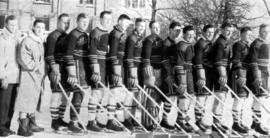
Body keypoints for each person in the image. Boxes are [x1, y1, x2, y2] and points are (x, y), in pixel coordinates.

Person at [15, 19, 46, 137]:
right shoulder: (27, 40)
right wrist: (35, 67)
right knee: (25, 99)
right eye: (38, 27)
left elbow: (41, 59)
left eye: (42, 28)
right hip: (28, 75)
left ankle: (31, 124)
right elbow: (22, 58)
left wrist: (42, 71)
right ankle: (22, 127)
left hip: (37, 76)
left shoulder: (39, 41)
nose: (40, 30)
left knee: (33, 98)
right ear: (33, 27)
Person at [63, 13, 90, 134]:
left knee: (81, 93)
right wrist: (72, 73)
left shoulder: (84, 34)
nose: (85, 24)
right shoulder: (73, 34)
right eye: (82, 22)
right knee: (77, 93)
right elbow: (68, 54)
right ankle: (72, 122)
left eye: (87, 22)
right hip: (75, 65)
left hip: (83, 66)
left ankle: (76, 119)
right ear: (77, 22)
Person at [87, 11, 112, 132]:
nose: (107, 22)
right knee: (96, 93)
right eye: (105, 19)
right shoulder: (95, 32)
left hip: (104, 65)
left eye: (109, 20)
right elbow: (92, 52)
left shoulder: (106, 32)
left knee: (101, 94)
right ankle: (90, 122)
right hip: (97, 64)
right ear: (100, 19)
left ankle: (96, 120)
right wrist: (95, 70)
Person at [45, 13, 70, 132]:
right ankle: (54, 121)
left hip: (66, 69)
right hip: (56, 69)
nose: (66, 24)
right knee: (56, 94)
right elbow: (49, 55)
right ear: (58, 22)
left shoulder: (67, 36)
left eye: (68, 22)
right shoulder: (53, 36)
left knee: (65, 95)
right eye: (64, 22)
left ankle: (60, 118)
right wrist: (55, 70)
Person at [106, 14, 131, 131]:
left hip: (121, 64)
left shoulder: (122, 32)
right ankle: (110, 121)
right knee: (114, 91)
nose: (126, 25)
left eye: (127, 23)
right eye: (124, 22)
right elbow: (112, 53)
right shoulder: (116, 33)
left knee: (118, 92)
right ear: (119, 21)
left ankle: (114, 117)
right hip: (115, 65)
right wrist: (116, 71)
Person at [123, 18, 146, 130]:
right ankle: (126, 119)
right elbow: (129, 56)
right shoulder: (132, 37)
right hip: (133, 69)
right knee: (130, 94)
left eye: (143, 26)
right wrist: (132, 73)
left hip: (140, 69)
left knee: (136, 95)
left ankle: (132, 117)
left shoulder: (141, 38)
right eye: (140, 26)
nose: (142, 28)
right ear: (136, 26)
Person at [211, 22, 234, 134]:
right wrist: (222, 74)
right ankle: (215, 124)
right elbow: (218, 60)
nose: (229, 32)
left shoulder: (225, 41)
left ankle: (218, 122)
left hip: (225, 71)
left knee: (222, 98)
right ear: (222, 30)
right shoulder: (220, 43)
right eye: (227, 30)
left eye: (231, 30)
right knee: (219, 97)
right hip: (220, 73)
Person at [141, 20, 163, 131]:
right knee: (150, 97)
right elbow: (146, 58)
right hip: (151, 71)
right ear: (150, 28)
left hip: (159, 71)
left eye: (158, 27)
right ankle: (148, 121)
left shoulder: (160, 40)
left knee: (158, 97)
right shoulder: (148, 40)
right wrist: (149, 75)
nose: (157, 29)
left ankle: (155, 120)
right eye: (154, 27)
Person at [248, 24, 270, 135]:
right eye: (263, 31)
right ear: (259, 31)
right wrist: (257, 76)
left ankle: (254, 124)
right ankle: (257, 125)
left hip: (265, 74)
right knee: (260, 98)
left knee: (261, 98)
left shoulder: (265, 43)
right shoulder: (256, 44)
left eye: (267, 32)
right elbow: (253, 62)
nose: (265, 33)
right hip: (258, 75)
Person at [193, 24, 215, 134]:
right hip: (202, 73)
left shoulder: (209, 43)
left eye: (212, 32)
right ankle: (197, 122)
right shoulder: (200, 43)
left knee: (205, 97)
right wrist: (201, 75)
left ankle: (200, 119)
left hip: (209, 73)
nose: (210, 34)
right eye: (208, 32)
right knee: (201, 97)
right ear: (204, 32)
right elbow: (197, 60)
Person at [0, 15, 20, 137]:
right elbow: (0, 59)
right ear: (6, 24)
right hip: (6, 76)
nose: (13, 27)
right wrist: (2, 76)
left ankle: (7, 126)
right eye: (11, 24)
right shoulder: (2, 38)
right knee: (3, 103)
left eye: (15, 24)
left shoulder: (16, 37)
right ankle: (0, 127)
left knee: (12, 103)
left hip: (15, 76)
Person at [230, 27, 252, 134]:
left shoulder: (247, 45)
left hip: (245, 73)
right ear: (242, 34)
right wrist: (240, 75)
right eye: (247, 34)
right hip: (238, 73)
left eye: (250, 35)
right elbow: (236, 60)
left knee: (243, 99)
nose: (248, 36)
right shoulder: (238, 45)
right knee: (239, 98)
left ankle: (239, 122)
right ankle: (235, 124)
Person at [160, 21, 181, 130]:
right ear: (170, 30)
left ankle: (179, 121)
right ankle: (164, 120)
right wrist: (169, 74)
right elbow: (164, 60)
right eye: (176, 30)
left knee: (177, 98)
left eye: (179, 30)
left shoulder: (175, 43)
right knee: (170, 97)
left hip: (175, 73)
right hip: (168, 74)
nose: (178, 32)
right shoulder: (166, 43)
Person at [174, 25, 196, 133]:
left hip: (189, 73)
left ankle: (184, 120)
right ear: (184, 34)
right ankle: (180, 122)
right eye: (189, 34)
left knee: (190, 98)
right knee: (183, 98)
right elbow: (179, 63)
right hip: (183, 73)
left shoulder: (190, 44)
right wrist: (181, 80)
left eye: (192, 34)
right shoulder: (181, 45)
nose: (191, 36)